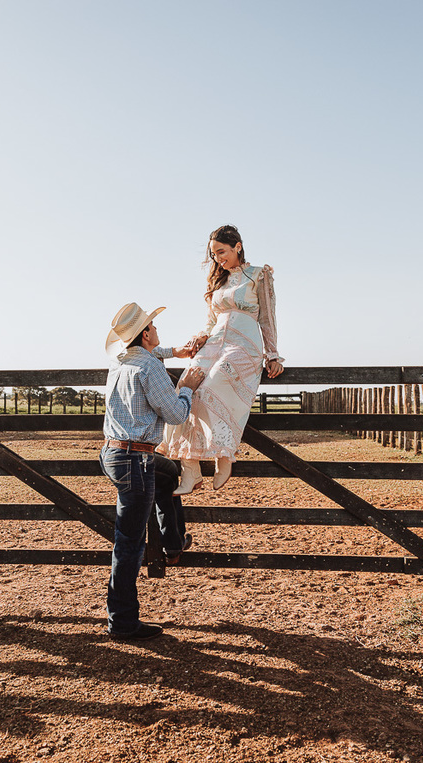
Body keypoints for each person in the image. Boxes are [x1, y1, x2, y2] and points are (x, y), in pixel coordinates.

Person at [101, 301, 205, 640]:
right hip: (135, 458)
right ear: (145, 334)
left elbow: (152, 353)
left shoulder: (122, 360)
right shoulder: (149, 367)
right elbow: (176, 414)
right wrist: (187, 386)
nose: (157, 329)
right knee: (129, 543)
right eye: (153, 326)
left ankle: (172, 543)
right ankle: (122, 622)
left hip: (113, 453)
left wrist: (176, 351)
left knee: (168, 474)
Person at [161, 224, 284, 493]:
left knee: (214, 383)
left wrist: (273, 354)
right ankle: (190, 470)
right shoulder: (219, 281)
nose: (217, 259)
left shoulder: (258, 275)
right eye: (214, 254)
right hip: (214, 342)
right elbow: (210, 321)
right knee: (186, 387)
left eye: (221, 252)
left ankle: (224, 453)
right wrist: (200, 337)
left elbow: (267, 318)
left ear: (237, 247)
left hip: (244, 345)